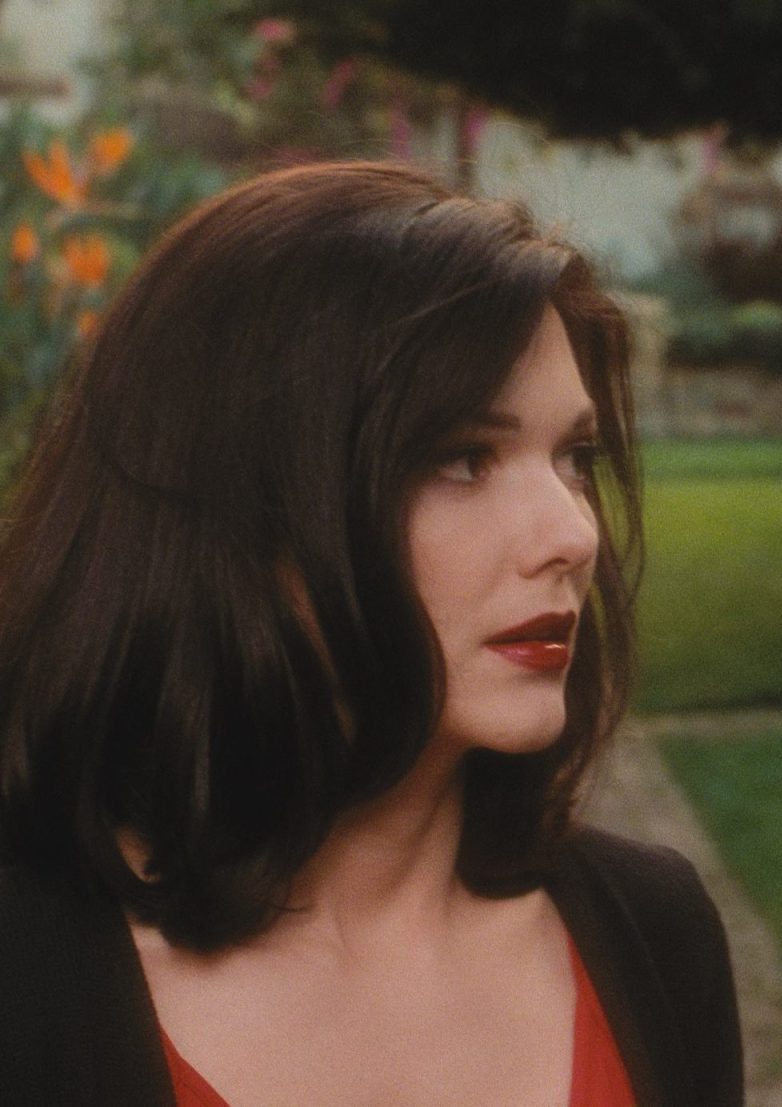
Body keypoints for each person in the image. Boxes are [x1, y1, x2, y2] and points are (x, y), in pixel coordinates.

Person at [0, 162, 742, 1106]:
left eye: (574, 457)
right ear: (243, 506)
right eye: (464, 458)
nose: (572, 534)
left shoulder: (655, 932)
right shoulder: (29, 972)